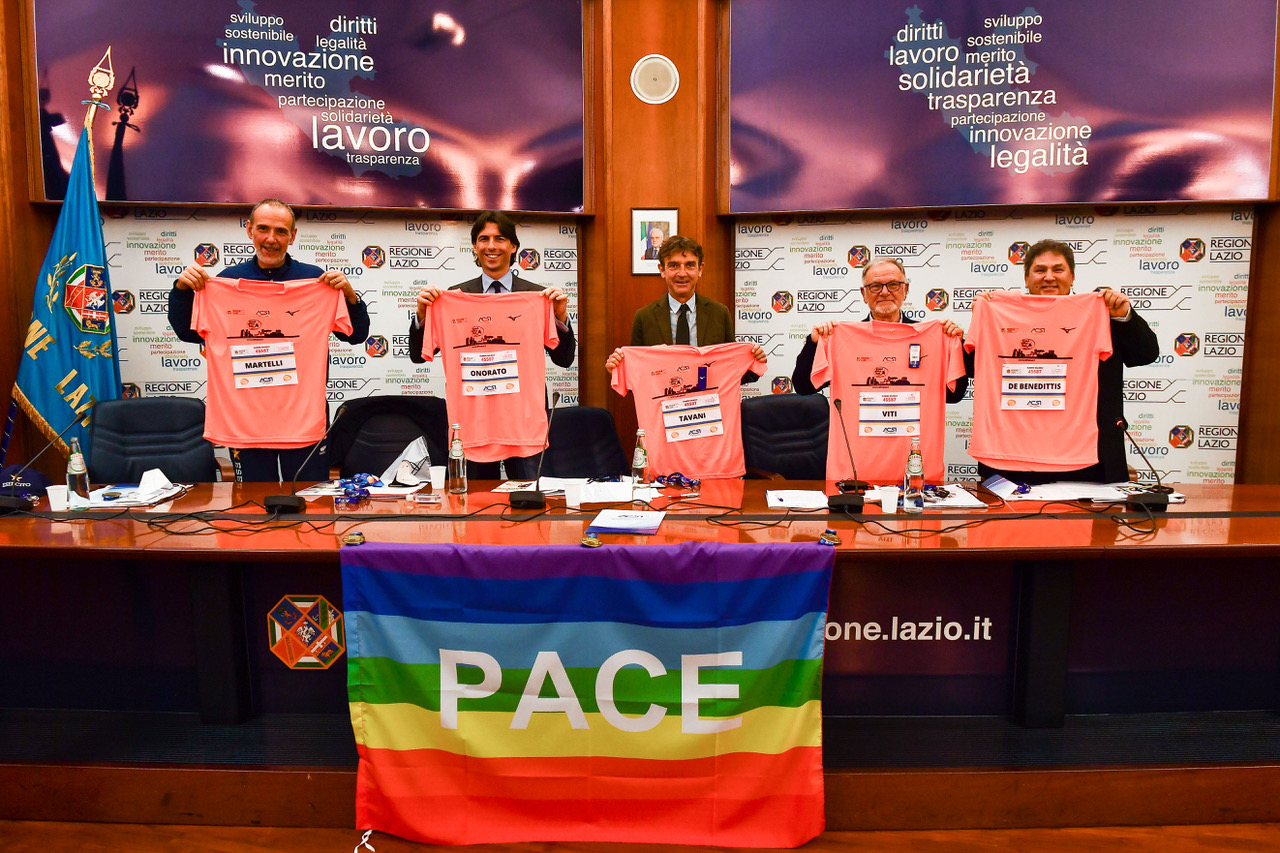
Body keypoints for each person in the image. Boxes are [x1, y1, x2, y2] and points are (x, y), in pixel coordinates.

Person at [168, 198, 369, 483]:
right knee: (254, 501)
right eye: (263, 229)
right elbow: (187, 332)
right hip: (245, 422)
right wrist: (181, 291)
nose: (271, 239)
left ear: (292, 236)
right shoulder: (225, 282)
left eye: (281, 231)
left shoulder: (316, 281)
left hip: (304, 420)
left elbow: (357, 335)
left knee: (310, 499)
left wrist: (350, 297)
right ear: (249, 230)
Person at [972, 239, 1159, 484]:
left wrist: (1123, 316)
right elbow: (973, 367)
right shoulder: (998, 316)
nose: (1049, 277)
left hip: (1091, 461)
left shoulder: (1099, 315)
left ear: (1072, 277)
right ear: (1026, 279)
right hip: (1014, 458)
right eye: (1040, 270)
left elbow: (1146, 354)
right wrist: (981, 321)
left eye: (1058, 269)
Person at [407, 210, 575, 478]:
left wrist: (560, 318)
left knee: (527, 499)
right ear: (475, 247)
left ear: (513, 246)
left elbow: (564, 359)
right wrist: (423, 316)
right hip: (474, 425)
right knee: (474, 499)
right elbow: (418, 356)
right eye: (484, 239)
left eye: (500, 239)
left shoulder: (536, 297)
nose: (491, 246)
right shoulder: (452, 298)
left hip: (523, 423)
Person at [791, 257, 968, 402]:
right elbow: (803, 387)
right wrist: (814, 344)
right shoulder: (843, 341)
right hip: (861, 434)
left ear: (905, 290)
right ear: (864, 294)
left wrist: (956, 347)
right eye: (875, 286)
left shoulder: (932, 339)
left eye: (893, 284)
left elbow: (953, 395)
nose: (884, 292)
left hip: (913, 433)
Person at [606, 235, 765, 373]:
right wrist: (619, 369)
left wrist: (753, 362)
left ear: (700, 269)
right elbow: (637, 372)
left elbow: (732, 369)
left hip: (708, 398)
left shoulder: (719, 313)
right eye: (674, 265)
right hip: (664, 398)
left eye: (689, 265)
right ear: (662, 270)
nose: (682, 273)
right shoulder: (644, 317)